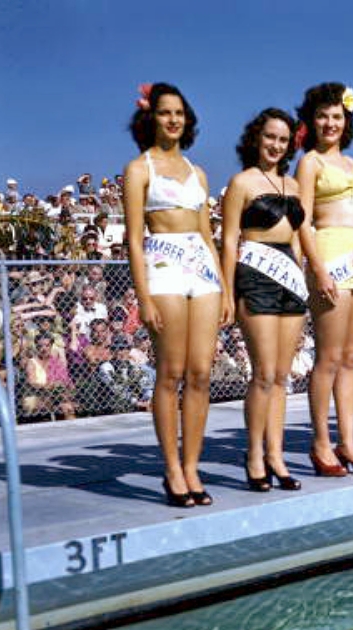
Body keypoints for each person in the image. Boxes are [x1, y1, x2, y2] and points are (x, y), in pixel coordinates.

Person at [123, 82, 230, 508]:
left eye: (179, 113)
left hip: (200, 268)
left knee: (201, 372)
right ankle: (171, 469)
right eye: (166, 112)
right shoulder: (139, 169)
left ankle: (191, 465)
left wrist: (221, 284)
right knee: (171, 371)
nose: (173, 120)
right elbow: (133, 238)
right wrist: (143, 295)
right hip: (163, 265)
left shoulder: (197, 172)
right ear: (152, 117)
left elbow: (207, 232)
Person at [296, 82, 353, 477]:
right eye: (323, 116)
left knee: (351, 358)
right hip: (330, 256)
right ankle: (321, 443)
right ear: (312, 121)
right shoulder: (310, 162)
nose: (331, 123)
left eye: (337, 116)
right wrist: (317, 267)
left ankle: (348, 442)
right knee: (328, 358)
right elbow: (303, 221)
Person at [221, 108, 307, 491]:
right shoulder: (241, 182)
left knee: (282, 377)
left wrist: (303, 277)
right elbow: (227, 241)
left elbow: (298, 238)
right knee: (263, 373)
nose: (276, 145)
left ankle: (276, 454)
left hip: (289, 275)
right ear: (257, 138)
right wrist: (228, 290)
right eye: (270, 137)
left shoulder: (294, 185)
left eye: (283, 140)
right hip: (255, 275)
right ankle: (254, 454)